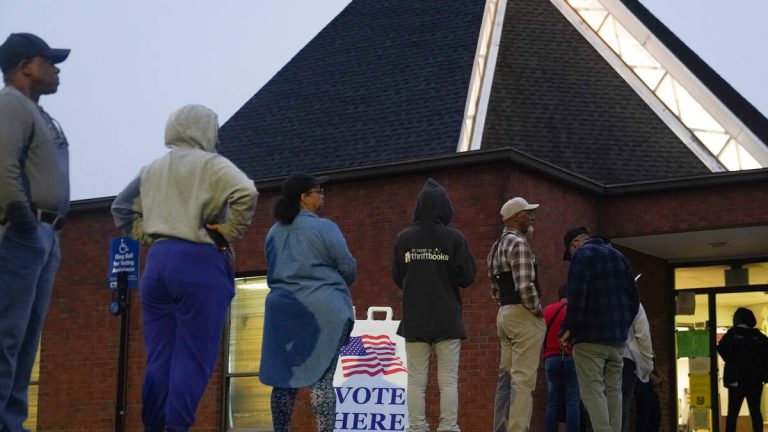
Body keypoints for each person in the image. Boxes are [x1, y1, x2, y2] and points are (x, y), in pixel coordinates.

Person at [111, 104, 258, 431]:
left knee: (160, 358)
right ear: (206, 130)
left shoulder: (151, 170)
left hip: (159, 262)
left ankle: (154, 427)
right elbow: (246, 191)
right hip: (200, 262)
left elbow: (120, 206)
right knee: (193, 358)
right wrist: (230, 231)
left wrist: (145, 235)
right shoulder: (213, 165)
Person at [0, 32, 71, 431]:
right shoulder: (10, 104)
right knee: (5, 336)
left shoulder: (39, 112)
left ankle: (11, 421)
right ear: (26, 66)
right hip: (22, 233)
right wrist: (26, 227)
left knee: (26, 341)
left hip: (47, 236)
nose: (57, 68)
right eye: (49, 61)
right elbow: (3, 169)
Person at [259, 174, 356, 432]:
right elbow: (348, 267)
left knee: (282, 382)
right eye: (318, 191)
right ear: (304, 197)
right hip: (324, 311)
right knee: (322, 381)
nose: (322, 195)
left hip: (283, 313)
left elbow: (272, 267)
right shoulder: (325, 228)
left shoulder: (273, 232)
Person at [392, 178, 477, 432]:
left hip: (415, 318)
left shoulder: (404, 238)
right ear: (445, 207)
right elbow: (468, 276)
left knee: (416, 380)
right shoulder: (454, 238)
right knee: (448, 381)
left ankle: (417, 427)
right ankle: (448, 427)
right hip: (447, 318)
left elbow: (398, 277)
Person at [559, 227, 639, 432]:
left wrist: (569, 328)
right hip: (617, 340)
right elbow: (633, 298)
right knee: (614, 391)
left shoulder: (582, 256)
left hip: (589, 337)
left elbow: (577, 295)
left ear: (574, 245)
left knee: (592, 391)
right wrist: (622, 326)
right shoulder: (619, 256)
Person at [488, 197, 546, 432]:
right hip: (523, 316)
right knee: (523, 381)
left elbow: (495, 290)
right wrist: (538, 311)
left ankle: (500, 428)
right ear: (515, 217)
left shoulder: (495, 247)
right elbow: (525, 286)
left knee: (505, 379)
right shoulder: (519, 244)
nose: (532, 217)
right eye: (527, 213)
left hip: (504, 314)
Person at [716, 307, 768, 432]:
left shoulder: (732, 334)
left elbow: (721, 349)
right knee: (755, 412)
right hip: (755, 381)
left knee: (732, 413)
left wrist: (733, 361)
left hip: (736, 381)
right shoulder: (759, 336)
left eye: (734, 316)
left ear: (739, 318)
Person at [543, 285, 581, 432]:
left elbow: (541, 335)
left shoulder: (548, 310)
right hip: (572, 358)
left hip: (551, 358)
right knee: (572, 402)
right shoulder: (576, 312)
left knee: (552, 402)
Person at [619, 304, 654, 432]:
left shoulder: (594, 295)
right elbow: (643, 335)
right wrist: (646, 365)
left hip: (596, 358)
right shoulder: (631, 301)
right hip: (625, 358)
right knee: (622, 401)